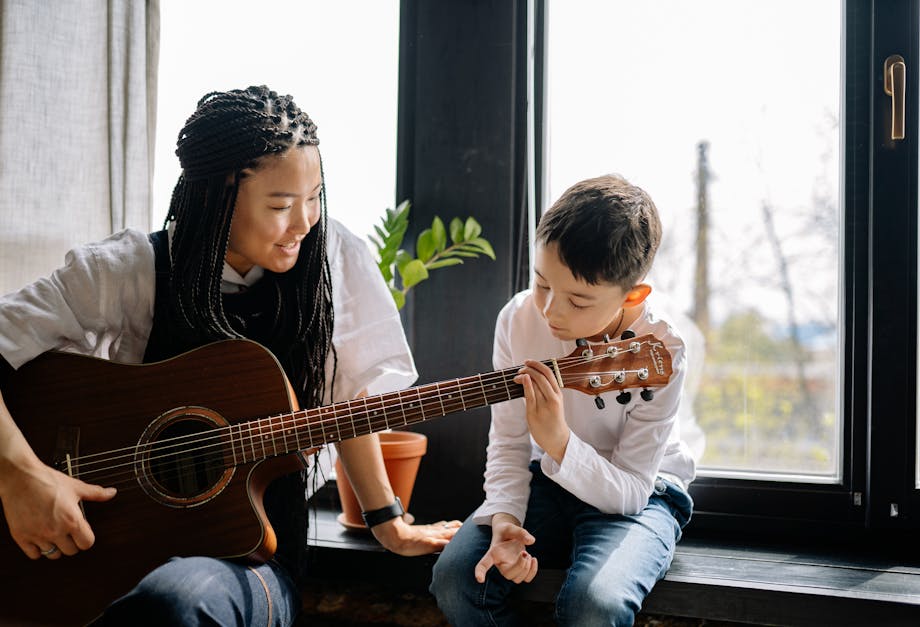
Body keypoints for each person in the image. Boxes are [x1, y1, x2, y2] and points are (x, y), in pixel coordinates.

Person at [0, 85, 459, 626]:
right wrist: (19, 474)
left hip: (250, 565)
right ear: (218, 196)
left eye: (315, 197)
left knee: (174, 602)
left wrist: (388, 520)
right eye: (281, 205)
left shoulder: (333, 259)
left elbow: (348, 397)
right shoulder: (128, 270)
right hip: (112, 546)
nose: (305, 221)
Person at [429, 174, 698, 626]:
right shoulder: (518, 319)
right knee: (458, 580)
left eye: (578, 300)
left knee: (595, 605)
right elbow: (510, 443)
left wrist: (558, 443)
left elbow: (633, 491)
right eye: (541, 283)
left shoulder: (661, 350)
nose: (551, 310)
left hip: (644, 491)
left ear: (632, 295)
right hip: (546, 481)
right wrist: (505, 520)